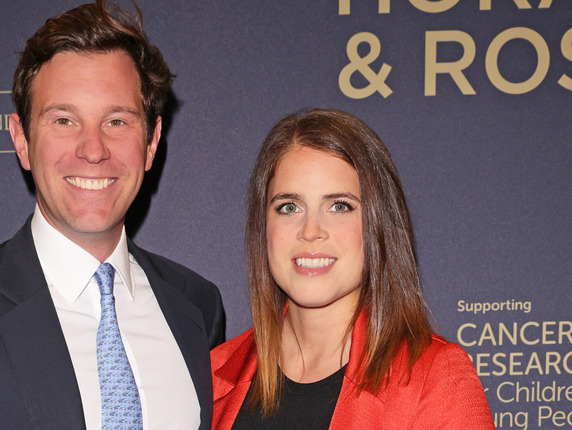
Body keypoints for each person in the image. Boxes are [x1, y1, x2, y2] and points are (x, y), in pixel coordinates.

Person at [0, 0, 224, 429]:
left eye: (117, 121)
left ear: (151, 142)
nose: (93, 150)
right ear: (22, 140)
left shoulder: (195, 306)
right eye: (63, 120)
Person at [210, 109, 493, 429]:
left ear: (378, 224)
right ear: (264, 226)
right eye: (289, 207)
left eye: (339, 206)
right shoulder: (212, 375)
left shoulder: (435, 377)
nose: (311, 230)